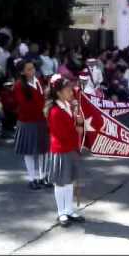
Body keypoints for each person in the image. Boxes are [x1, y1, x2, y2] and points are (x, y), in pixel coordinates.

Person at [46, 74, 85, 227]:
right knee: (61, 183)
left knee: (69, 182)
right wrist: (78, 128)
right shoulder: (55, 111)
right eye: (68, 90)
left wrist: (77, 119)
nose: (71, 92)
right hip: (61, 150)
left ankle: (69, 209)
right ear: (59, 92)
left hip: (70, 148)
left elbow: (77, 93)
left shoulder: (67, 105)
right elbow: (62, 133)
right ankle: (61, 212)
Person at [13, 59, 50, 190]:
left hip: (41, 120)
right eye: (28, 69)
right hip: (27, 121)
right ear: (22, 72)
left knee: (43, 150)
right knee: (29, 152)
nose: (32, 71)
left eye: (33, 68)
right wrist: (43, 107)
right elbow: (24, 105)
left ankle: (43, 176)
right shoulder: (19, 85)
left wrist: (46, 104)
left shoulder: (38, 81)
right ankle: (32, 178)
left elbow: (42, 98)